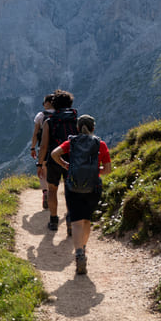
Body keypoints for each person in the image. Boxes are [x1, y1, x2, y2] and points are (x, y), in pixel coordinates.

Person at [50, 114, 112, 274]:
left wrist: (66, 165)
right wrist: (93, 170)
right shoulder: (101, 144)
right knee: (86, 220)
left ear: (77, 128)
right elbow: (107, 170)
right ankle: (83, 249)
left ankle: (78, 253)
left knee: (76, 222)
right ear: (93, 128)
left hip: (73, 185)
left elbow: (54, 154)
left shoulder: (72, 142)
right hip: (93, 187)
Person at [37, 89, 78, 233]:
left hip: (54, 159)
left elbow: (43, 146)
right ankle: (70, 219)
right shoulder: (76, 120)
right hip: (72, 160)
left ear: (54, 105)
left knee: (53, 189)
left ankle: (53, 220)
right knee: (70, 191)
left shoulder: (49, 121)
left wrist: (40, 163)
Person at [29, 93, 54, 209]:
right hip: (60, 148)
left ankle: (45, 192)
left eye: (44, 102)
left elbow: (35, 134)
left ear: (47, 103)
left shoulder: (40, 116)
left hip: (44, 148)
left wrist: (33, 147)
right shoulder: (62, 115)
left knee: (43, 171)